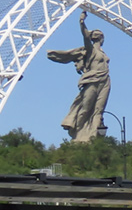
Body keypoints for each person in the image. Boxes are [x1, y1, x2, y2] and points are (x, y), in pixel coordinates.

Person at [46, 10, 111, 143]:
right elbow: (85, 36)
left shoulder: (103, 53)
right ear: (101, 38)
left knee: (99, 110)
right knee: (86, 108)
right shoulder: (91, 50)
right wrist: (81, 21)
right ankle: (77, 133)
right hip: (92, 80)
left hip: (105, 80)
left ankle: (93, 137)